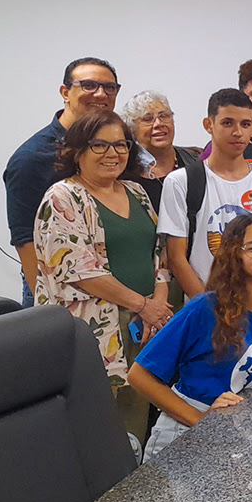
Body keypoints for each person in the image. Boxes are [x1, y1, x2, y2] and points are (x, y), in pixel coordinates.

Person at [33, 110, 172, 443]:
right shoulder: (62, 197)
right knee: (94, 429)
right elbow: (79, 271)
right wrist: (144, 305)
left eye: (121, 145)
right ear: (77, 151)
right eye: (100, 145)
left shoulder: (136, 192)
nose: (113, 154)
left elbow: (160, 254)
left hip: (144, 326)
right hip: (93, 329)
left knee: (136, 421)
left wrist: (159, 306)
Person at [128, 214, 252, 462]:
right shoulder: (205, 308)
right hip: (185, 429)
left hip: (243, 430)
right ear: (234, 256)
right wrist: (203, 422)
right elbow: (139, 376)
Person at [6, 57, 120, 306]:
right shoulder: (32, 158)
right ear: (65, 92)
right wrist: (51, 306)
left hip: (113, 287)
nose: (100, 94)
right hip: (60, 295)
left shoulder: (114, 150)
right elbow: (26, 242)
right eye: (88, 85)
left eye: (110, 87)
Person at [158, 89, 252, 297]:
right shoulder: (181, 181)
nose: (237, 132)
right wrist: (209, 310)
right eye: (227, 123)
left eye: (245, 124)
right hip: (206, 303)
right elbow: (176, 258)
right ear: (208, 125)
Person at [119, 90, 202, 208]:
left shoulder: (196, 159)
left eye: (164, 116)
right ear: (132, 130)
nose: (159, 123)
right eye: (148, 119)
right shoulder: (124, 170)